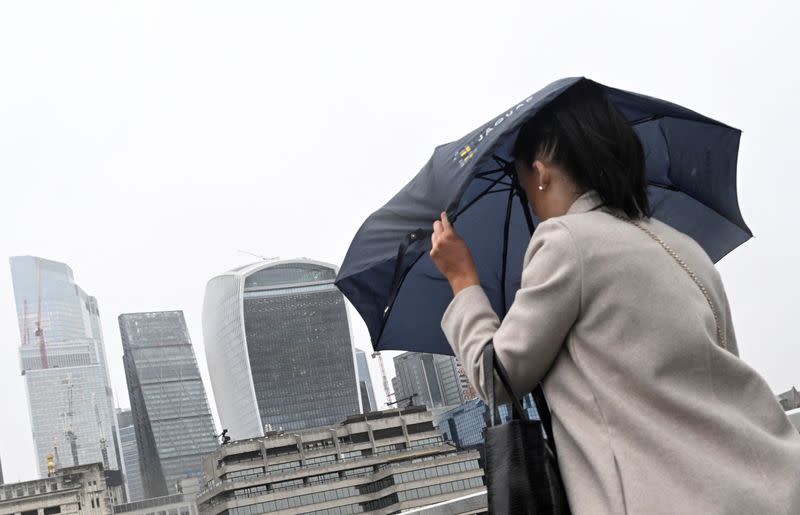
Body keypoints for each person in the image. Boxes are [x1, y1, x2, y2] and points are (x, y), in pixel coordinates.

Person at [429, 81, 800, 515]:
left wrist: (462, 280)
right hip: (767, 482)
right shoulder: (685, 248)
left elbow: (498, 379)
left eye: (523, 177)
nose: (529, 196)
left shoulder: (565, 240)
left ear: (542, 169)